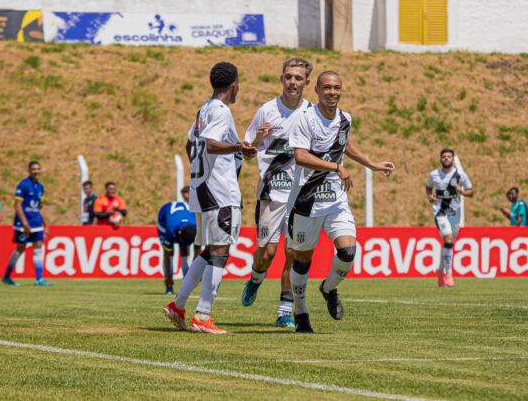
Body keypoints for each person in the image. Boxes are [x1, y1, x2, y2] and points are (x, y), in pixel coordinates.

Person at [288, 71, 395, 333]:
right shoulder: (305, 118)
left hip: (335, 200)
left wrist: (371, 164)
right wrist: (337, 167)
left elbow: (344, 144)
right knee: (302, 259)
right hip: (306, 201)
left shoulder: (345, 119)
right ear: (317, 90)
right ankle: (300, 311)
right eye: (327, 88)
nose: (332, 92)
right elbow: (300, 156)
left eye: (336, 88)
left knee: (348, 252)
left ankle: (328, 288)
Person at [164, 62, 256, 334]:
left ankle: (178, 305)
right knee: (220, 252)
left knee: (210, 250)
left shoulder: (203, 109)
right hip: (220, 192)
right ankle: (203, 315)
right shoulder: (221, 110)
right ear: (234, 85)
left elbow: (190, 143)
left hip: (203, 189)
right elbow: (211, 143)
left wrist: (200, 168)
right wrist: (239, 147)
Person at [241, 57, 313, 329]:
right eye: (288, 77)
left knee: (293, 252)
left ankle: (284, 312)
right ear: (281, 79)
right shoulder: (267, 110)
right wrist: (258, 140)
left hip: (301, 194)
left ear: (307, 82)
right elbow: (247, 151)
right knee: (267, 253)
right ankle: (255, 278)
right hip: (272, 192)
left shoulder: (312, 113)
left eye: (298, 78)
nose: (293, 82)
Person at [425, 148, 474, 288]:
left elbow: (471, 192)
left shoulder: (460, 175)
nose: (446, 158)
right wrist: (429, 196)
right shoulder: (434, 174)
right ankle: (449, 273)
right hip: (440, 212)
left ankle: (440, 271)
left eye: (449, 156)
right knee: (448, 239)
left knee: (449, 243)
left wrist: (461, 192)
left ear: (453, 159)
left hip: (455, 214)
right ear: (440, 159)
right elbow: (428, 187)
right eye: (444, 156)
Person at [1, 161, 52, 287]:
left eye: (38, 169)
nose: (36, 171)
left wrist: (46, 225)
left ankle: (39, 279)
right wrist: (24, 223)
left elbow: (40, 207)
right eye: (33, 169)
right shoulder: (23, 185)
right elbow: (17, 205)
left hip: (36, 222)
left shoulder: (40, 187)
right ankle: (6, 276)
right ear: (29, 171)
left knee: (38, 246)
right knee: (20, 248)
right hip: (23, 223)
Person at [157, 187, 197, 294]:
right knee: (170, 253)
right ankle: (169, 287)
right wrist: (169, 280)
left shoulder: (197, 227)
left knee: (184, 251)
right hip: (164, 218)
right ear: (179, 233)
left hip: (182, 220)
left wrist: (194, 277)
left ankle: (187, 285)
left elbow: (197, 255)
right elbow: (166, 255)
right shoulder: (169, 230)